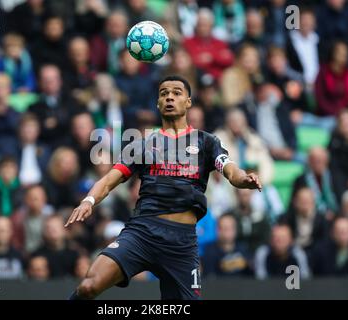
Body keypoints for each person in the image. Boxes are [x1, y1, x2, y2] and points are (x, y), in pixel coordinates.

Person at [67, 75, 262, 300]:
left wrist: (243, 179)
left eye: (177, 93)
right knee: (89, 286)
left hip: (182, 243)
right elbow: (110, 179)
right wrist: (88, 201)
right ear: (158, 103)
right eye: (163, 93)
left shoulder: (207, 142)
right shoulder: (143, 144)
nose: (169, 97)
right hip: (142, 233)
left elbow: (230, 170)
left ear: (188, 101)